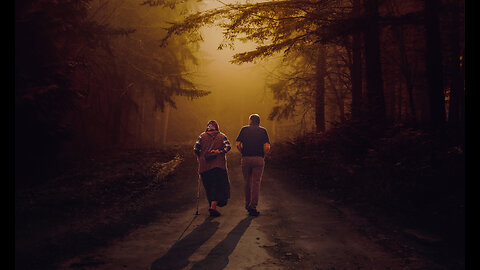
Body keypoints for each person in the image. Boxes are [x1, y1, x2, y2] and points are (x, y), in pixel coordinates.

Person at [194, 120, 232, 217]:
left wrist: (201, 157)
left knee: (208, 186)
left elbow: (196, 149)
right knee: (218, 186)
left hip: (204, 166)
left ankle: (212, 206)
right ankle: (213, 207)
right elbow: (228, 147)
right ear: (217, 127)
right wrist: (219, 151)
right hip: (218, 165)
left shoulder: (201, 136)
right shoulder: (222, 136)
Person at [235, 114, 270, 216]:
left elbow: (237, 144)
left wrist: (243, 152)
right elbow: (267, 147)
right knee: (256, 182)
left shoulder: (244, 129)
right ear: (259, 121)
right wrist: (263, 155)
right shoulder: (263, 131)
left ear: (250, 120)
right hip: (258, 158)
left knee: (247, 181)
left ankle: (247, 203)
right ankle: (253, 206)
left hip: (246, 158)